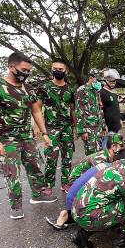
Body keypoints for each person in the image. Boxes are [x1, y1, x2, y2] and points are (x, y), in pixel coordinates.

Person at [0, 52, 56, 219]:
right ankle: (16, 206)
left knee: (35, 166)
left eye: (29, 70)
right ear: (11, 66)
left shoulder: (28, 88)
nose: (26, 73)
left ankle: (39, 195)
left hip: (27, 136)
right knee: (12, 173)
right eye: (23, 69)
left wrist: (44, 133)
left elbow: (36, 111)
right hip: (7, 139)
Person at [71, 143, 125, 248]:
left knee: (115, 201)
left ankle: (83, 235)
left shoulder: (121, 162)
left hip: (76, 210)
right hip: (88, 216)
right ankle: (121, 244)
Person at [48, 147, 125, 231]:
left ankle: (67, 214)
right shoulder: (115, 172)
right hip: (78, 203)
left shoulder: (105, 165)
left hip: (73, 198)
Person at [34, 59, 75, 190]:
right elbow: (37, 109)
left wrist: (76, 128)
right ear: (52, 69)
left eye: (60, 69)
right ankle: (49, 185)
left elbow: (73, 109)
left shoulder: (70, 89)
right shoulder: (44, 87)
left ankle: (66, 183)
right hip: (51, 129)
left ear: (66, 71)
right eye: (55, 68)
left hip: (67, 128)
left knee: (67, 158)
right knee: (51, 158)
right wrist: (37, 127)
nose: (57, 71)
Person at [76, 69, 106, 156]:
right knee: (91, 154)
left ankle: (99, 169)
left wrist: (103, 127)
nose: (99, 83)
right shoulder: (82, 90)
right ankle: (91, 169)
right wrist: (82, 130)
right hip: (88, 128)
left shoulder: (96, 91)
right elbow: (79, 110)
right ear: (91, 78)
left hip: (98, 127)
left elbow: (100, 108)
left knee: (100, 152)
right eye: (98, 80)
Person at [99, 69, 122, 148]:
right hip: (108, 128)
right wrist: (104, 126)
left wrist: (120, 120)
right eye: (111, 82)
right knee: (107, 149)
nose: (113, 83)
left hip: (116, 126)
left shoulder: (114, 93)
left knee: (115, 148)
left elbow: (116, 109)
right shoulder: (102, 93)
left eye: (114, 81)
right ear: (105, 81)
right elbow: (100, 111)